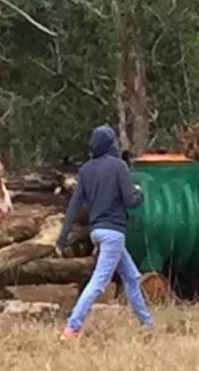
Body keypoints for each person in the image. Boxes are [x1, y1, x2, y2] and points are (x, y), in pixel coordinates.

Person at [55, 124, 153, 341]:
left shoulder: (86, 170)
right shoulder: (119, 166)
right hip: (114, 233)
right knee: (98, 282)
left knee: (131, 277)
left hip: (97, 232)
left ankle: (147, 324)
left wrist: (62, 239)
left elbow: (73, 206)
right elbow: (130, 201)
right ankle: (71, 327)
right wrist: (140, 193)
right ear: (111, 144)